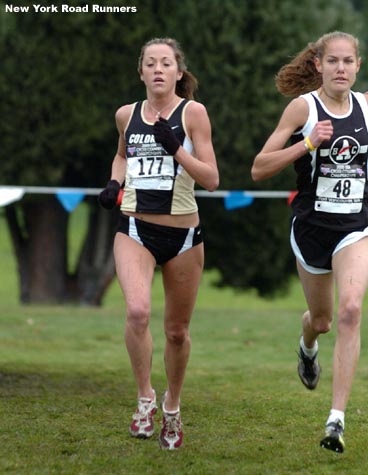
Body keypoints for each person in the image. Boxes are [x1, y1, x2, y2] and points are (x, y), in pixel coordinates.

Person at [251, 31, 368, 453]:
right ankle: (307, 345)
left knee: (350, 311)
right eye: (333, 62)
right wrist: (307, 143)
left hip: (355, 226)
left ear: (358, 66)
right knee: (323, 319)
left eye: (348, 62)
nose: (341, 69)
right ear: (318, 65)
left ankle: (335, 421)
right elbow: (259, 168)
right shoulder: (303, 109)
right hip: (312, 229)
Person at [98, 37, 219, 450]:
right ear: (141, 72)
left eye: (165, 63)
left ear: (178, 73)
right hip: (134, 227)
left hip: (184, 235)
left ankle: (172, 406)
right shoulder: (126, 115)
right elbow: (121, 155)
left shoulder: (194, 114)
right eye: (150, 63)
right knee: (136, 311)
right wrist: (115, 182)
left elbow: (212, 178)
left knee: (176, 332)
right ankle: (145, 398)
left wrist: (177, 150)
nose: (158, 69)